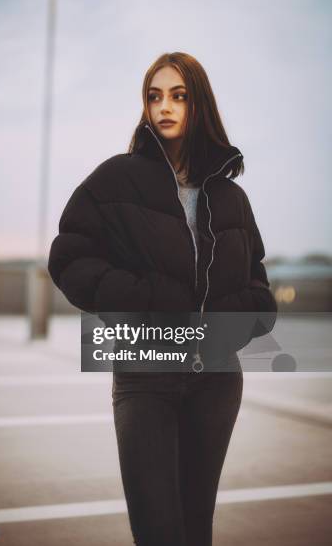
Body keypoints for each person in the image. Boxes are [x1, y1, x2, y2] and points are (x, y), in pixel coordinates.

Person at [48, 52, 277, 545]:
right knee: (157, 531)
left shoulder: (231, 197)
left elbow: (260, 294)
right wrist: (150, 299)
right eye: (155, 96)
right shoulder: (115, 179)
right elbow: (69, 261)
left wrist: (223, 319)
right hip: (145, 376)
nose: (164, 107)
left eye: (178, 95)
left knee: (196, 530)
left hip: (216, 381)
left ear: (200, 105)